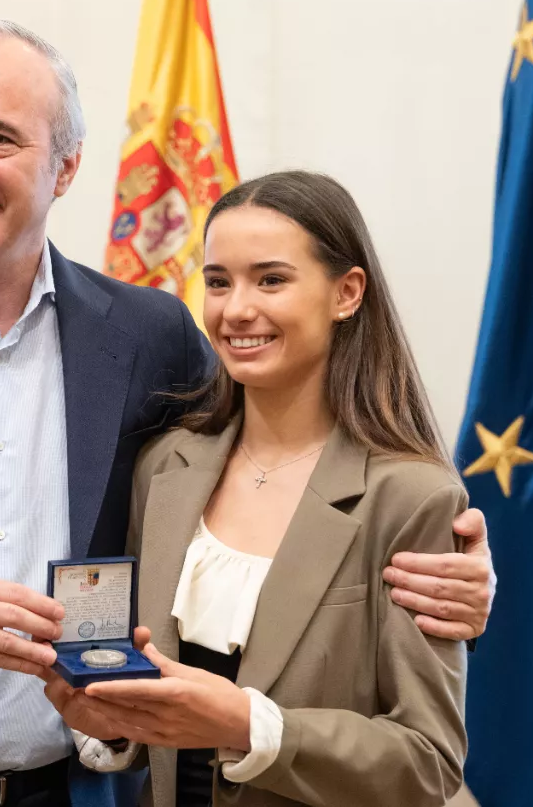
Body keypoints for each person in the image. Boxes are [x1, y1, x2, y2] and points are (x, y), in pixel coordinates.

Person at [0, 22, 492, 807]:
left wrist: (460, 577)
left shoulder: (148, 336)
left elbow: (282, 478)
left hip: (72, 787)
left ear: (66, 167)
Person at [45, 171, 470, 807]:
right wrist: (108, 722)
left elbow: (428, 761)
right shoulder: (164, 468)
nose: (236, 308)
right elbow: (149, 709)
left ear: (347, 293)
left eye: (271, 279)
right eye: (218, 281)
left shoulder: (411, 496)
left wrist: (249, 727)